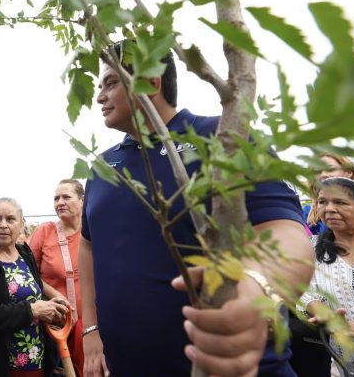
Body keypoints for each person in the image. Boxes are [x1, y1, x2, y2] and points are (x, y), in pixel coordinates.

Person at [81, 45, 313, 376]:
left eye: (111, 82)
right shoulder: (103, 166)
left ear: (150, 82)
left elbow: (286, 233)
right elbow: (88, 244)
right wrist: (91, 329)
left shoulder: (222, 136)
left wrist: (255, 288)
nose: (99, 97)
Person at [0, 197, 69, 377]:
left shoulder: (25, 255)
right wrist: (32, 310)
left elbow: (33, 292)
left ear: (21, 224)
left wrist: (50, 307)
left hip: (36, 359)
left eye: (10, 219)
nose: (3, 225)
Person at [300, 177, 354, 376]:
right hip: (352, 364)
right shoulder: (310, 249)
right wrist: (320, 310)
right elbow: (302, 291)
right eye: (322, 202)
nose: (329, 209)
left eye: (339, 202)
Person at [28, 179, 85, 376]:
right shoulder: (45, 231)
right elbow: (27, 272)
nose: (60, 202)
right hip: (53, 324)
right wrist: (57, 298)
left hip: (88, 325)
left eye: (66, 197)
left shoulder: (92, 232)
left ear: (82, 201)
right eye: (56, 198)